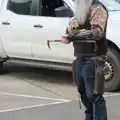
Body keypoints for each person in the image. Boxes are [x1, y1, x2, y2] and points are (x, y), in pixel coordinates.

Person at [61, 0, 108, 120]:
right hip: (80, 57)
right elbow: (71, 28)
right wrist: (69, 35)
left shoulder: (97, 8)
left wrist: (74, 34)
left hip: (94, 59)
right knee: (83, 93)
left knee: (94, 95)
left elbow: (97, 33)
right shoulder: (80, 12)